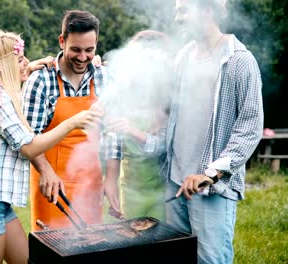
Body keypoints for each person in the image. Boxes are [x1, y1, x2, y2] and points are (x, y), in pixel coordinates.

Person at [0, 30, 101, 264]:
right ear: (3, 65)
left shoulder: (2, 95)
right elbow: (30, 147)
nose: (26, 62)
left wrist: (27, 69)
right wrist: (72, 122)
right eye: (20, 60)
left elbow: (14, 89)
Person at [142, 0, 263, 263]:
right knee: (177, 257)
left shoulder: (239, 61)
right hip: (175, 182)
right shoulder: (183, 56)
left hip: (212, 188)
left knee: (210, 260)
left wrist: (210, 173)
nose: (178, 18)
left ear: (207, 10)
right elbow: (173, 112)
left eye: (183, 11)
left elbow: (250, 126)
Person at [23, 10, 123, 230]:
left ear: (96, 43)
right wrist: (47, 172)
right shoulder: (41, 80)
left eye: (89, 50)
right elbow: (29, 137)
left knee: (90, 247)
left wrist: (112, 178)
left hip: (90, 181)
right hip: (50, 181)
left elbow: (113, 133)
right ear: (62, 41)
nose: (82, 57)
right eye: (75, 49)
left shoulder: (105, 77)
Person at [106, 30, 173, 221]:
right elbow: (113, 143)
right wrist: (111, 182)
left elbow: (165, 147)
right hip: (130, 189)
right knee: (132, 242)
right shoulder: (123, 89)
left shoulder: (167, 96)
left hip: (161, 191)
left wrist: (133, 131)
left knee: (159, 243)